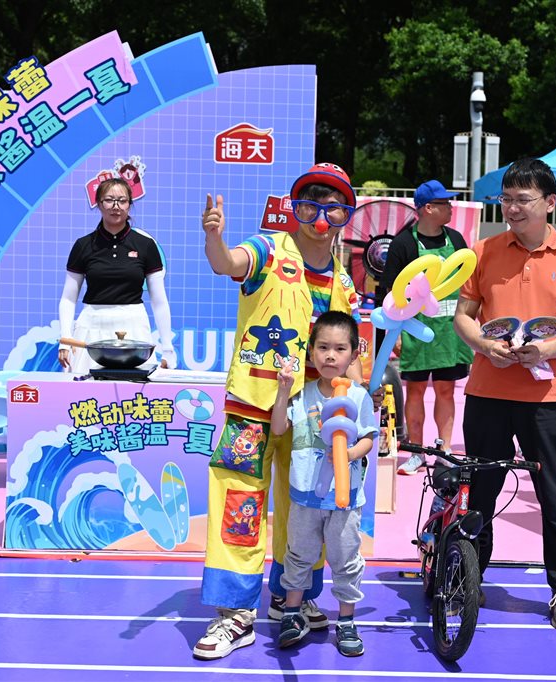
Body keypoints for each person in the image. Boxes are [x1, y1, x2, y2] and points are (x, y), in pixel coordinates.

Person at [194, 163, 366, 660]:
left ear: (344, 216)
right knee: (239, 504)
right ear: (296, 208)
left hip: (311, 414)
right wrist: (216, 239)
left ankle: (292, 598)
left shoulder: (341, 281)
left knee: (305, 509)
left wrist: (357, 411)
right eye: (311, 203)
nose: (321, 215)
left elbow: (352, 354)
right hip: (252, 404)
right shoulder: (270, 250)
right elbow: (228, 264)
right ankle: (235, 612)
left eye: (334, 206)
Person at [453, 158, 556, 631]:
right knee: (481, 495)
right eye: (506, 199)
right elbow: (464, 316)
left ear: (549, 203)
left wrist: (545, 350)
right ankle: (464, 581)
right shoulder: (484, 251)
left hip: (550, 396)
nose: (511, 208)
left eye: (522, 199)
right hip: (487, 391)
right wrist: (484, 346)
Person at [271, 311, 377, 657]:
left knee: (346, 560)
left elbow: (368, 440)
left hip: (345, 501)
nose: (330, 356)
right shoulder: (301, 395)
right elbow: (277, 429)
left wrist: (347, 455)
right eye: (323, 347)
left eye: (339, 348)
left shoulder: (358, 396)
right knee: (298, 556)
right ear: (311, 351)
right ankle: (291, 613)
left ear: (352, 354)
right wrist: (284, 389)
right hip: (304, 497)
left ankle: (345, 620)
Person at [380, 179, 473, 474]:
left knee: (446, 390)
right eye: (445, 203)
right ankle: (417, 451)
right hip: (414, 329)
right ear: (428, 208)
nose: (451, 207)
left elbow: (467, 284)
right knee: (416, 390)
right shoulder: (403, 243)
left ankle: (444, 449)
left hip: (449, 330)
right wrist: (392, 334)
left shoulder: (456, 240)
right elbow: (389, 290)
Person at [58, 177, 175, 373]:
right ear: (98, 203)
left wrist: (168, 348)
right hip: (91, 326)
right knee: (85, 397)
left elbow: (159, 301)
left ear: (130, 204)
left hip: (134, 325)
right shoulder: (83, 245)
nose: (116, 206)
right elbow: (68, 298)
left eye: (122, 200)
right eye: (109, 200)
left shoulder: (145, 245)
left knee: (136, 398)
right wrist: (65, 340)